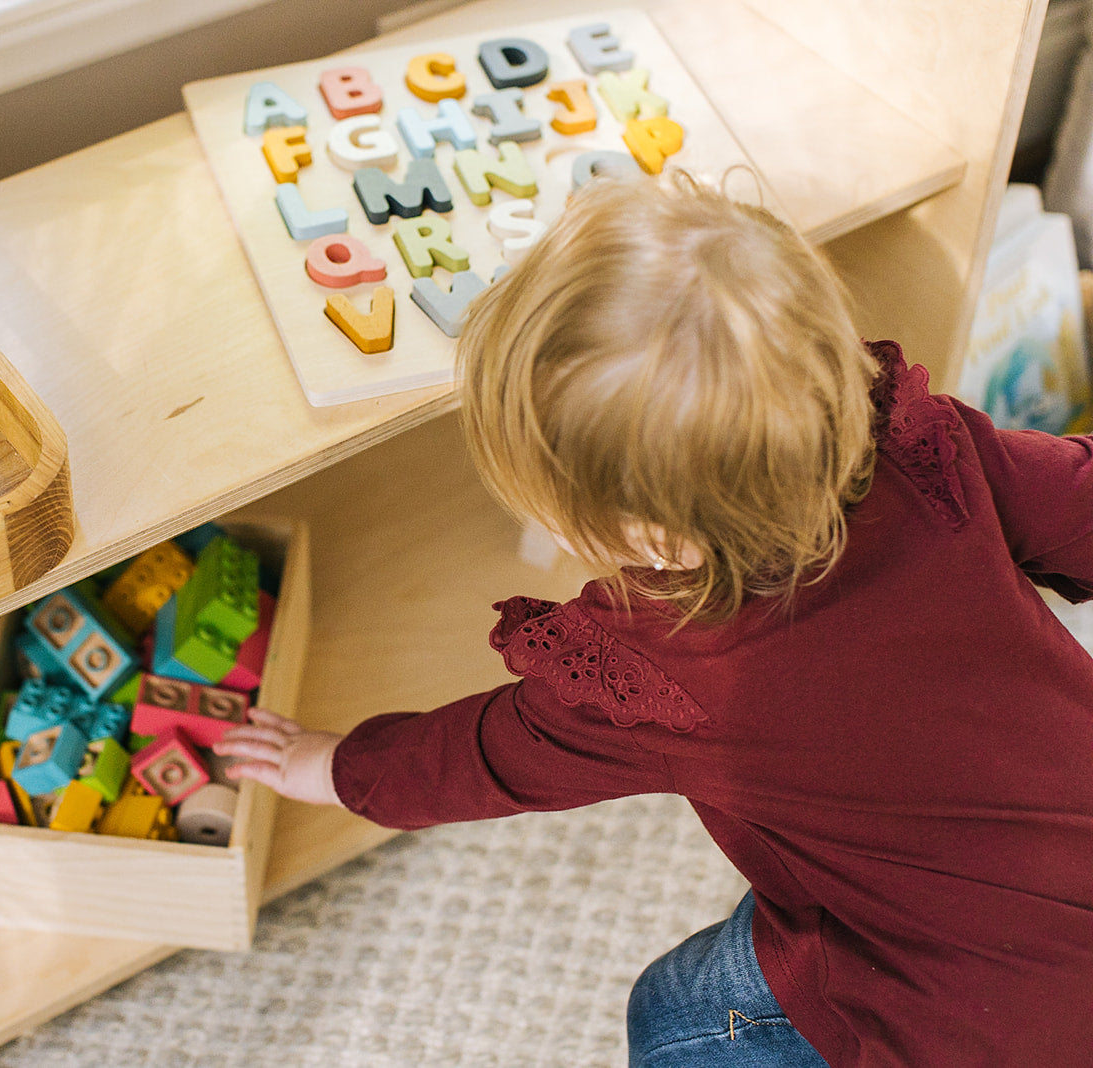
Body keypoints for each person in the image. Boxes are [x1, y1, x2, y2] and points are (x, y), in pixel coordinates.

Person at [214, 174, 1093, 1067]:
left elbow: (486, 755)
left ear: (652, 536)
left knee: (678, 1019)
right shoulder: (935, 456)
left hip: (960, 1018)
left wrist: (329, 765)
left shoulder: (667, 671)